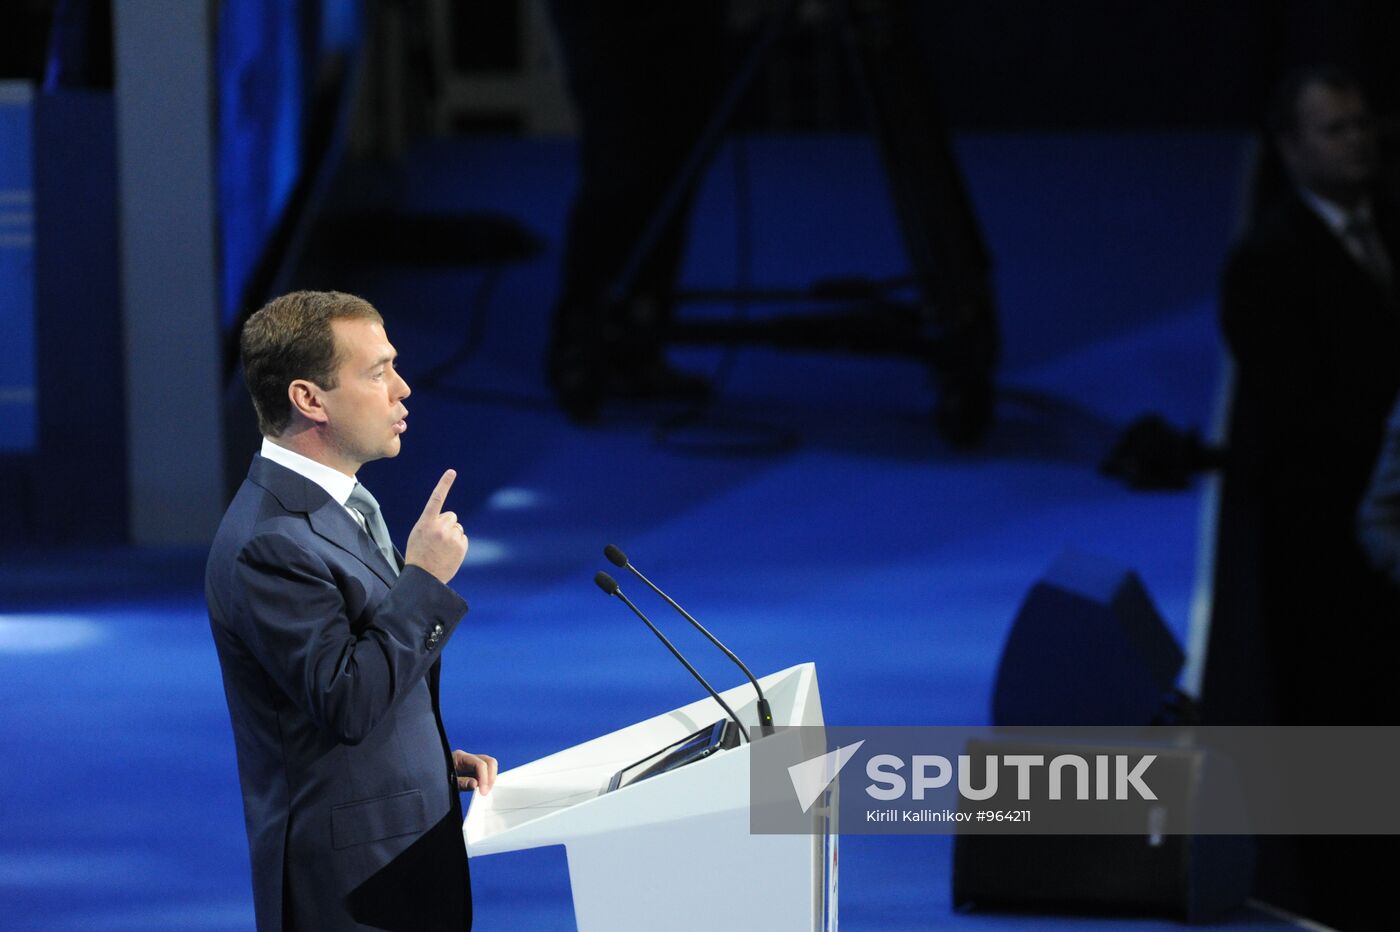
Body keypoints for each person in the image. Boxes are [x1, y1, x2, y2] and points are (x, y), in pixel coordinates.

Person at [206, 290, 496, 930]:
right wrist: (423, 578)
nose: (403, 389)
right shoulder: (270, 542)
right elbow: (347, 699)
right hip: (351, 894)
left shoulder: (341, 508)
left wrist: (425, 757)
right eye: (377, 372)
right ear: (309, 399)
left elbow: (337, 690)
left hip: (399, 861)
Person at [1203, 66, 1400, 931]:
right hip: (1322, 541)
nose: (1357, 144)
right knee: (1338, 731)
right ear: (1288, 148)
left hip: (1380, 524)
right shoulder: (1267, 260)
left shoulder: (1391, 229)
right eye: (1335, 131)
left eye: (1362, 127)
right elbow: (1300, 405)